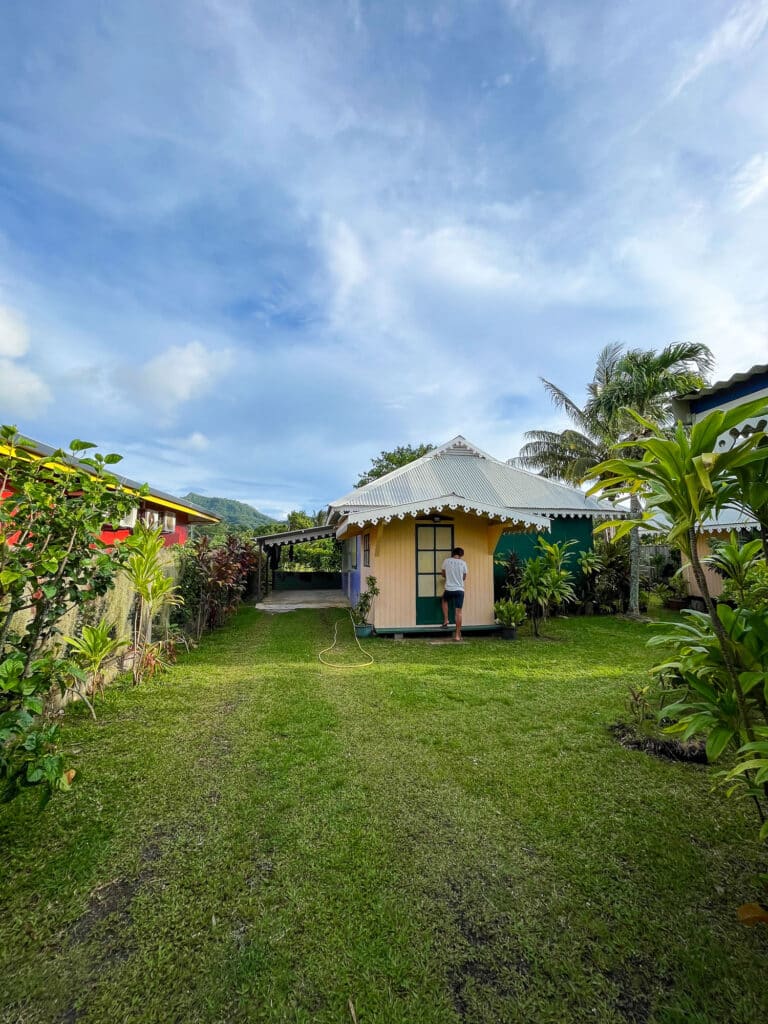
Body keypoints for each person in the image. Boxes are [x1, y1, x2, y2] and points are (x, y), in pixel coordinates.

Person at [440, 546, 468, 642]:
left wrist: (449, 576)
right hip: (460, 590)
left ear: (453, 553)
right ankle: (457, 636)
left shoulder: (446, 561)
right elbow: (464, 577)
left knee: (444, 600)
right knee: (458, 613)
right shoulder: (463, 563)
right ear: (461, 555)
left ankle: (446, 620)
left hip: (449, 589)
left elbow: (443, 574)